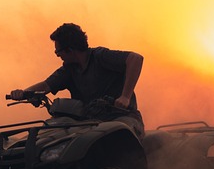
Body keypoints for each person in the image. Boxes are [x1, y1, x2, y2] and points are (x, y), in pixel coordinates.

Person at [11, 22, 145, 136]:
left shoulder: (100, 57)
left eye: (58, 52)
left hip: (123, 117)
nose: (57, 55)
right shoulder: (70, 69)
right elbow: (46, 85)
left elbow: (135, 59)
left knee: (115, 137)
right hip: (89, 122)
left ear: (70, 50)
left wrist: (125, 97)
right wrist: (23, 93)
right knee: (51, 131)